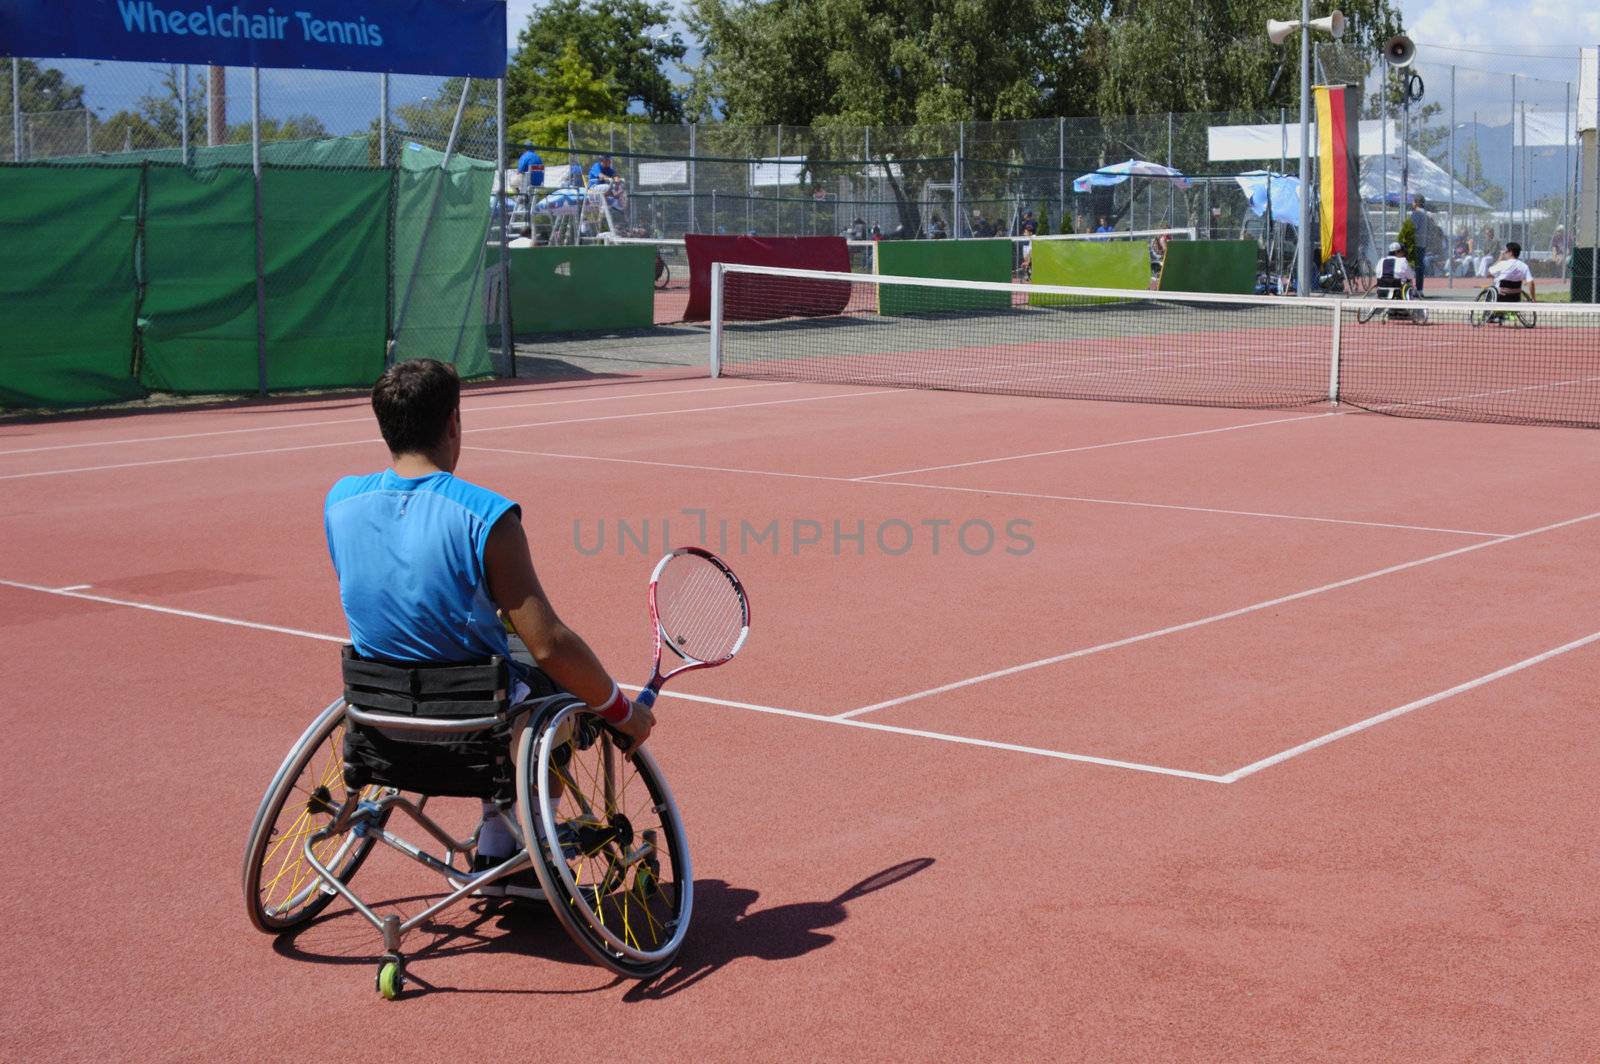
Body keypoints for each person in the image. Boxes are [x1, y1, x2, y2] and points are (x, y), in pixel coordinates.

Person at [324, 359, 654, 899]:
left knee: (505, 659)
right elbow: (549, 642)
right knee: (557, 688)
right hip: (475, 731)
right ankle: (512, 846)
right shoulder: (487, 517)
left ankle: (499, 844)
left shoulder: (339, 502)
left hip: (378, 723)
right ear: (454, 422)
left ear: (384, 425)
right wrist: (622, 711)